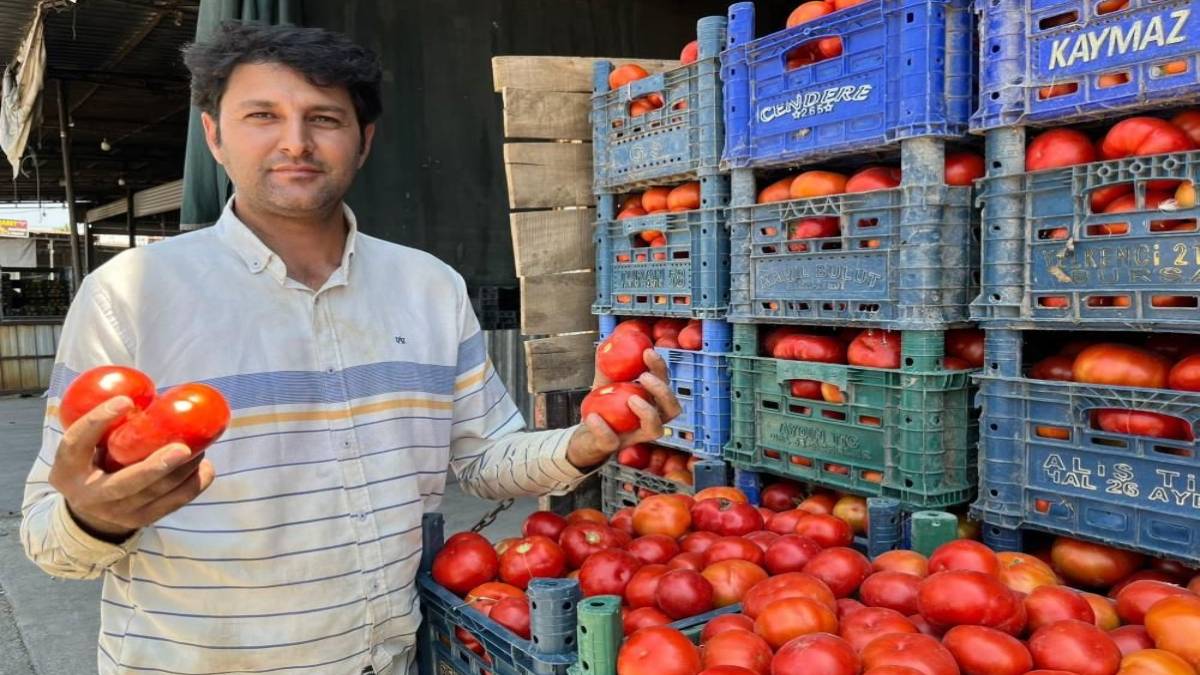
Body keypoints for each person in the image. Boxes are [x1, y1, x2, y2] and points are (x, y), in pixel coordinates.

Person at [20, 22, 680, 675]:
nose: (295, 142)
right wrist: (94, 517)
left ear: (363, 141)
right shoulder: (130, 294)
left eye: (324, 119)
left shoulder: (429, 288)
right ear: (215, 136)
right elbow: (50, 538)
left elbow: (483, 459)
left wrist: (585, 442)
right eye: (262, 115)